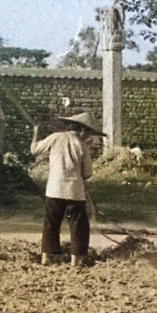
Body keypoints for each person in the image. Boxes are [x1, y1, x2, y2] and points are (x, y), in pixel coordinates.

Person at [30, 111, 104, 268]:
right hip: (74, 192)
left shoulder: (56, 137)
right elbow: (88, 173)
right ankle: (75, 261)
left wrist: (35, 133)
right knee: (78, 226)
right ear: (83, 130)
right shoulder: (82, 145)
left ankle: (46, 258)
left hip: (54, 189)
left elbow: (35, 150)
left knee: (51, 223)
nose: (89, 136)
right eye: (89, 133)